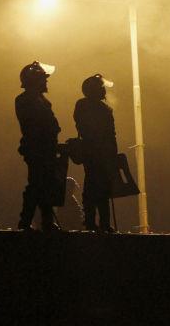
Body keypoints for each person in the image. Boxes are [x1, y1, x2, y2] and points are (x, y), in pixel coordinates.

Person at [15, 61, 61, 232]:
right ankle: (26, 221)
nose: (46, 82)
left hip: (44, 148)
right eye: (43, 78)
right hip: (38, 149)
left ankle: (45, 221)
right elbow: (36, 125)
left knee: (45, 185)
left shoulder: (39, 100)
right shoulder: (26, 100)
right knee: (36, 184)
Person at [73, 74, 117, 233]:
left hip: (97, 153)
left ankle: (98, 222)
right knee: (96, 187)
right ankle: (94, 222)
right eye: (101, 87)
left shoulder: (85, 106)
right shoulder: (95, 108)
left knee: (100, 187)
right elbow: (106, 133)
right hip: (95, 153)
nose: (103, 90)